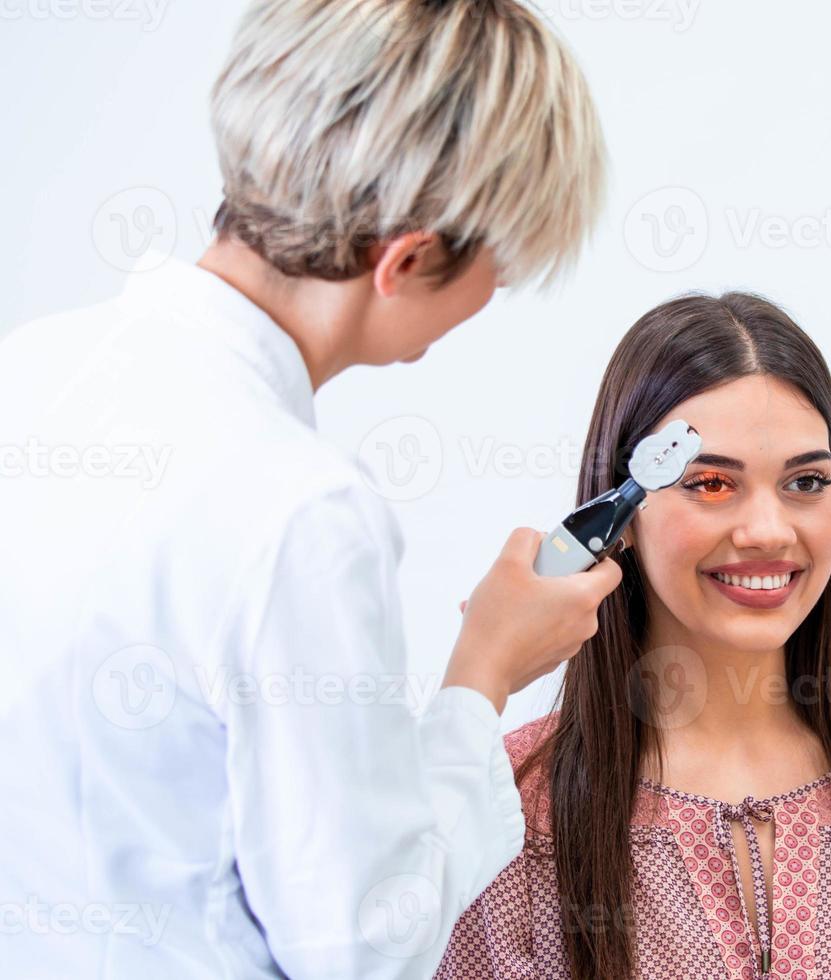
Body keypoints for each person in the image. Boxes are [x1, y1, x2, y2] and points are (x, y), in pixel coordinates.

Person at [0, 1, 618, 976]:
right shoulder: (298, 510)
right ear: (408, 259)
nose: (495, 299)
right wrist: (483, 674)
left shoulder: (22, 374)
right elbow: (361, 946)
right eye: (502, 267)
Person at [434, 293, 831, 980]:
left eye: (806, 480)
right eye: (709, 484)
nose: (768, 529)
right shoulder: (507, 812)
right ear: (623, 516)